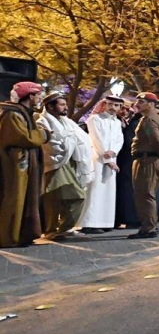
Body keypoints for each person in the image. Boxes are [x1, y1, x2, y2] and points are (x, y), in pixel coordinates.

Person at [36, 91, 92, 239]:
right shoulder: (42, 122)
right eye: (61, 104)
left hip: (70, 162)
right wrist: (71, 139)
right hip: (55, 163)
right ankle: (51, 230)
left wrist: (70, 139)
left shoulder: (67, 121)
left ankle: (64, 228)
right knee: (54, 198)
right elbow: (52, 145)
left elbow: (80, 137)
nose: (65, 107)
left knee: (75, 197)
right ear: (50, 106)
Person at [1, 81, 49, 247]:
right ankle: (9, 237)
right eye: (38, 95)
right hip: (15, 165)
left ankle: (22, 235)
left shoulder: (23, 113)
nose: (40, 98)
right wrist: (43, 135)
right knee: (15, 199)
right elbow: (23, 137)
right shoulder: (12, 114)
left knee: (26, 199)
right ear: (30, 96)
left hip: (24, 164)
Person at [80, 95, 124, 234]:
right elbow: (96, 140)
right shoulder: (95, 119)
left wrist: (114, 152)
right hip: (97, 159)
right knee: (94, 191)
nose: (113, 107)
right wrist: (107, 160)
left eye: (116, 105)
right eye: (110, 104)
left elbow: (119, 139)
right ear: (104, 104)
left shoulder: (117, 122)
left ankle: (105, 222)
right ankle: (89, 224)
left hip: (112, 159)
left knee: (108, 192)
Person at [129, 92, 159, 239]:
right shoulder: (158, 119)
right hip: (153, 159)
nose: (137, 104)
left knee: (144, 194)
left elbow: (155, 139)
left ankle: (148, 228)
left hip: (146, 161)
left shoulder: (148, 120)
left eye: (141, 102)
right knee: (148, 193)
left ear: (151, 104)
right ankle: (150, 225)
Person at [113, 99, 139, 229]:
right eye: (122, 108)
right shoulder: (115, 122)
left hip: (126, 161)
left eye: (127, 109)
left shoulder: (125, 122)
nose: (124, 111)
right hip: (119, 161)